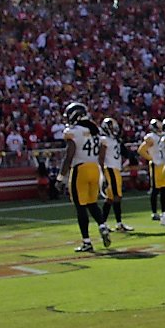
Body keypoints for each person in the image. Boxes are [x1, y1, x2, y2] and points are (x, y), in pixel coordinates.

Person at [58, 101, 111, 251]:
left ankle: (87, 241)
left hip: (80, 169)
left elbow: (69, 154)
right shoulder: (94, 130)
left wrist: (61, 177)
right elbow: (101, 153)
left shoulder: (73, 131)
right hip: (94, 168)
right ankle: (103, 226)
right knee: (92, 203)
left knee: (80, 207)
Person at [98, 118, 134, 233]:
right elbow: (101, 157)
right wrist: (102, 173)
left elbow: (123, 152)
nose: (114, 129)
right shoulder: (104, 140)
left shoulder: (114, 140)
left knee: (110, 198)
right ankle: (119, 224)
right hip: (110, 169)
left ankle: (103, 224)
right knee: (116, 196)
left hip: (115, 169)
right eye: (111, 127)